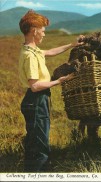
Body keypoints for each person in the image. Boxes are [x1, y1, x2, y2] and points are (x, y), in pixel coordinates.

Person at [18, 10, 84, 172]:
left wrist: (71, 45)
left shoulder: (32, 50)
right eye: (43, 31)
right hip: (36, 100)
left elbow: (50, 52)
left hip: (36, 100)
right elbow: (35, 86)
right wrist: (59, 81)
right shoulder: (30, 56)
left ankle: (32, 171)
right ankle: (40, 173)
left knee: (34, 140)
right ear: (34, 31)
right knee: (40, 144)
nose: (44, 34)